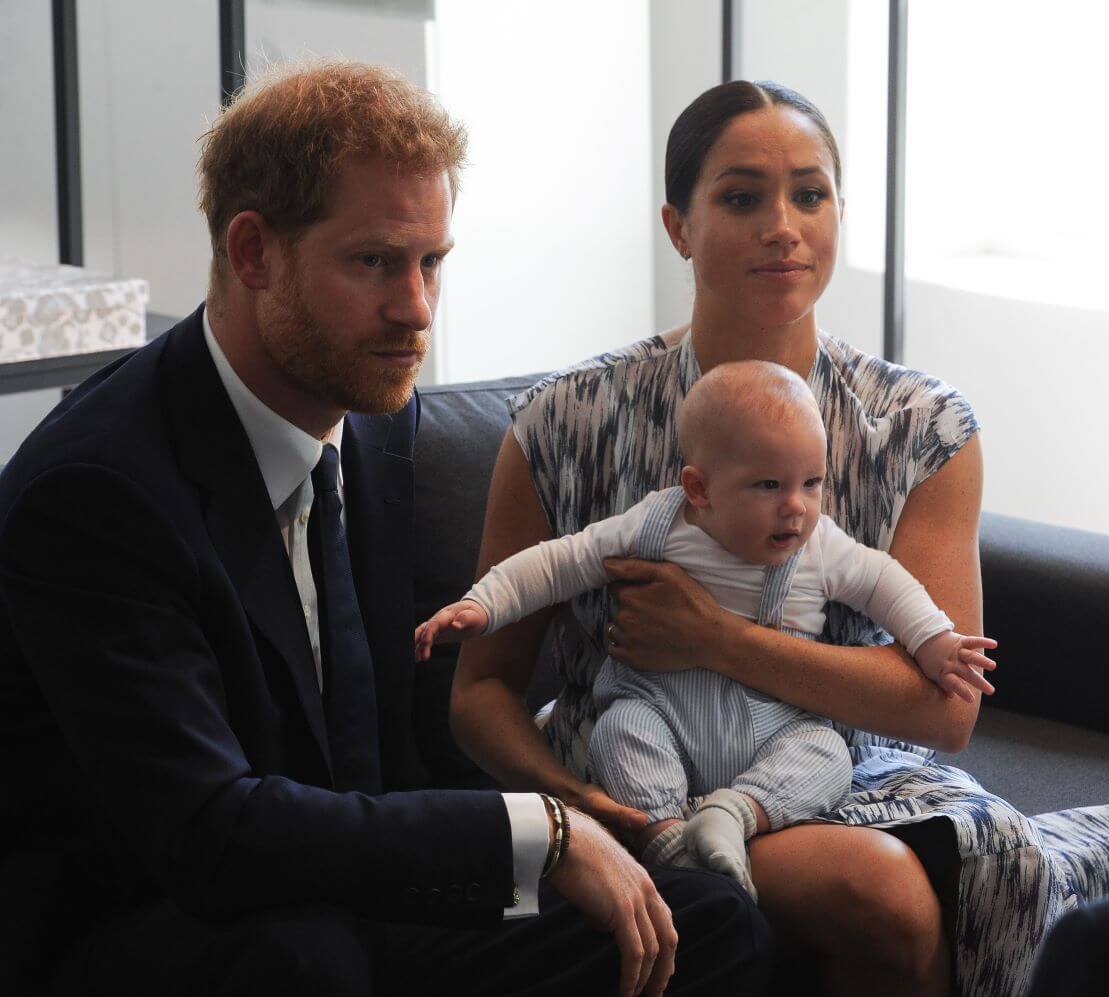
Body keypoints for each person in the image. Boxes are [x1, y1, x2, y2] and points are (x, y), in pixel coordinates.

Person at [0, 61, 774, 996]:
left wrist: (580, 816)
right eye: (374, 262)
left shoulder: (371, 419)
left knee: (701, 920)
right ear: (253, 253)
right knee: (311, 968)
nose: (415, 310)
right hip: (157, 920)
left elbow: (396, 745)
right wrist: (537, 833)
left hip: (342, 889)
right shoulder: (97, 493)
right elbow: (208, 831)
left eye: (432, 261)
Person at [448, 80, 1109, 997]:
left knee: (996, 857)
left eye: (809, 194)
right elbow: (481, 691)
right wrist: (577, 808)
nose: (783, 225)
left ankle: (1083, 855)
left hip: (835, 767)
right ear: (679, 225)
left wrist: (717, 638)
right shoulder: (565, 419)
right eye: (742, 197)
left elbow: (944, 709)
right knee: (888, 897)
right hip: (631, 769)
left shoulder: (919, 424)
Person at [418, 361, 998, 899]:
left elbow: (885, 583)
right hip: (660, 705)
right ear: (699, 489)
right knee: (620, 732)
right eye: (768, 486)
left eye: (812, 483)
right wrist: (482, 604)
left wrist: (935, 640)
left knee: (825, 753)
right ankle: (665, 834)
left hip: (774, 722)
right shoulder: (658, 523)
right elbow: (559, 561)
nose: (796, 508)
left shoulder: (820, 547)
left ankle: (734, 813)